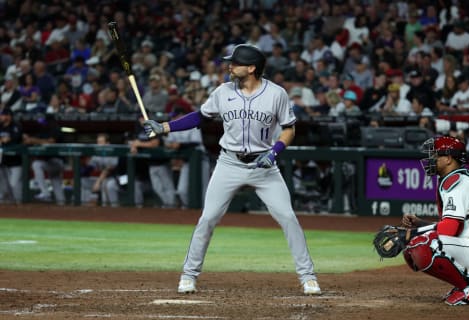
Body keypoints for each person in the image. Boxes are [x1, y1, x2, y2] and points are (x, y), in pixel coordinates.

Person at [143, 44, 321, 295]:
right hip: (229, 163)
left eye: (235, 63)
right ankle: (189, 275)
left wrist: (274, 152)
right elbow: (200, 117)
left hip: (264, 165)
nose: (229, 66)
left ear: (251, 68)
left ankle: (308, 276)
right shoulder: (223, 91)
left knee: (288, 217)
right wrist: (164, 127)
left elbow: (289, 128)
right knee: (208, 218)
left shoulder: (277, 94)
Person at [401, 136, 469, 306]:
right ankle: (461, 282)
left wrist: (412, 233)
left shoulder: (457, 182)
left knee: (422, 243)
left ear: (449, 158)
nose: (431, 159)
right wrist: (420, 224)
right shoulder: (457, 178)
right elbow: (452, 227)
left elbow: (450, 229)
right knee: (412, 246)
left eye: (436, 155)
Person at [163, 107, 210, 208]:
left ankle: (205, 212)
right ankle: (189, 213)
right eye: (173, 117)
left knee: (204, 190)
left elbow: (195, 143)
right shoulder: (173, 127)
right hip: (186, 162)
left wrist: (179, 145)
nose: (174, 119)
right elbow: (168, 144)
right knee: (182, 190)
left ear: (182, 115)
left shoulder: (192, 125)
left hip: (201, 161)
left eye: (176, 116)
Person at [23, 113, 65, 205]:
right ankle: (62, 205)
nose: (42, 123)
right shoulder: (44, 131)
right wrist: (28, 138)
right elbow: (30, 140)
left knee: (36, 164)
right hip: (49, 162)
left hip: (57, 161)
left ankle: (45, 193)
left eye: (44, 121)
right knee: (56, 182)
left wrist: (34, 140)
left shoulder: (56, 129)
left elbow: (51, 142)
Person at [80, 133, 118, 206]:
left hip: (116, 178)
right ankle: (85, 206)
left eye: (101, 142)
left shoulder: (114, 152)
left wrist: (98, 182)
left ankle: (114, 207)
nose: (98, 145)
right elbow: (89, 168)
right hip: (102, 179)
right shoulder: (97, 153)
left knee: (107, 185)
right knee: (83, 181)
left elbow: (108, 170)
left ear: (107, 143)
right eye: (98, 142)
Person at [0, 108, 23, 203]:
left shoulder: (16, 126)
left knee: (14, 184)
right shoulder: (0, 126)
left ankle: (19, 204)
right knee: (4, 186)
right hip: (3, 161)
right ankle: (8, 207)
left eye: (4, 115)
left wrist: (5, 139)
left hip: (15, 161)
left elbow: (15, 138)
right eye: (2, 115)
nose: (2, 117)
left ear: (9, 116)